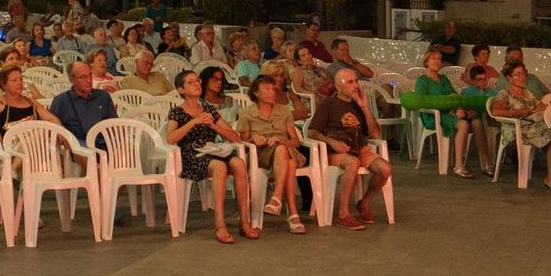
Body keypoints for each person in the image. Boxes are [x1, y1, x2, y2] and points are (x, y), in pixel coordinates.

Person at [163, 69, 257, 244]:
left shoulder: (208, 109)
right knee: (219, 167)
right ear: (181, 90)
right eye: (191, 82)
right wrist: (194, 122)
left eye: (197, 81)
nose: (197, 84)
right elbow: (170, 138)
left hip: (212, 150)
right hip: (191, 155)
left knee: (238, 163)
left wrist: (213, 126)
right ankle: (220, 224)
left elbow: (234, 137)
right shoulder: (177, 112)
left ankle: (244, 220)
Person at [308, 67, 390, 230]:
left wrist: (365, 107)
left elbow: (375, 134)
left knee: (385, 169)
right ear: (339, 87)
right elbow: (312, 132)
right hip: (336, 150)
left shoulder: (358, 104)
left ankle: (364, 202)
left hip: (360, 147)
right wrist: (331, 141)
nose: (355, 85)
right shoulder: (329, 103)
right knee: (352, 163)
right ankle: (343, 214)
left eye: (356, 81)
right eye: (350, 82)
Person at [237, 72, 306, 233]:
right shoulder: (247, 113)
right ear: (256, 93)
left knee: (283, 151)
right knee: (289, 163)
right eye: (267, 89)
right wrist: (254, 138)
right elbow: (242, 141)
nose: (271, 92)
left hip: (285, 150)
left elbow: (295, 141)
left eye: (273, 89)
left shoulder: (284, 111)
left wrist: (280, 140)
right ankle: (292, 214)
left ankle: (276, 199)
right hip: (260, 154)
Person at [402, 48, 478, 178]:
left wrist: (457, 109)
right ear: (426, 61)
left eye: (439, 59)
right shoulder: (422, 80)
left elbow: (453, 96)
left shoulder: (443, 78)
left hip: (448, 113)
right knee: (463, 124)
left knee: (472, 118)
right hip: (432, 115)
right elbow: (422, 102)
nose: (437, 61)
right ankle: (459, 166)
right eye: (433, 58)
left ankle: (468, 162)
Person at [489, 62, 551, 186]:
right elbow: (495, 111)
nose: (522, 77)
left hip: (533, 126)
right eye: (517, 74)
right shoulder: (504, 94)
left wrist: (543, 108)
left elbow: (538, 106)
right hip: (517, 128)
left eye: (523, 74)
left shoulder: (528, 93)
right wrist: (518, 112)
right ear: (509, 78)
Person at [50, 60, 117, 146]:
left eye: (90, 75)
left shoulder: (103, 96)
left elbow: (115, 125)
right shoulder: (61, 101)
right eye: (83, 77)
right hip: (79, 149)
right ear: (72, 79)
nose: (89, 80)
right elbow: (52, 132)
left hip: (107, 145)